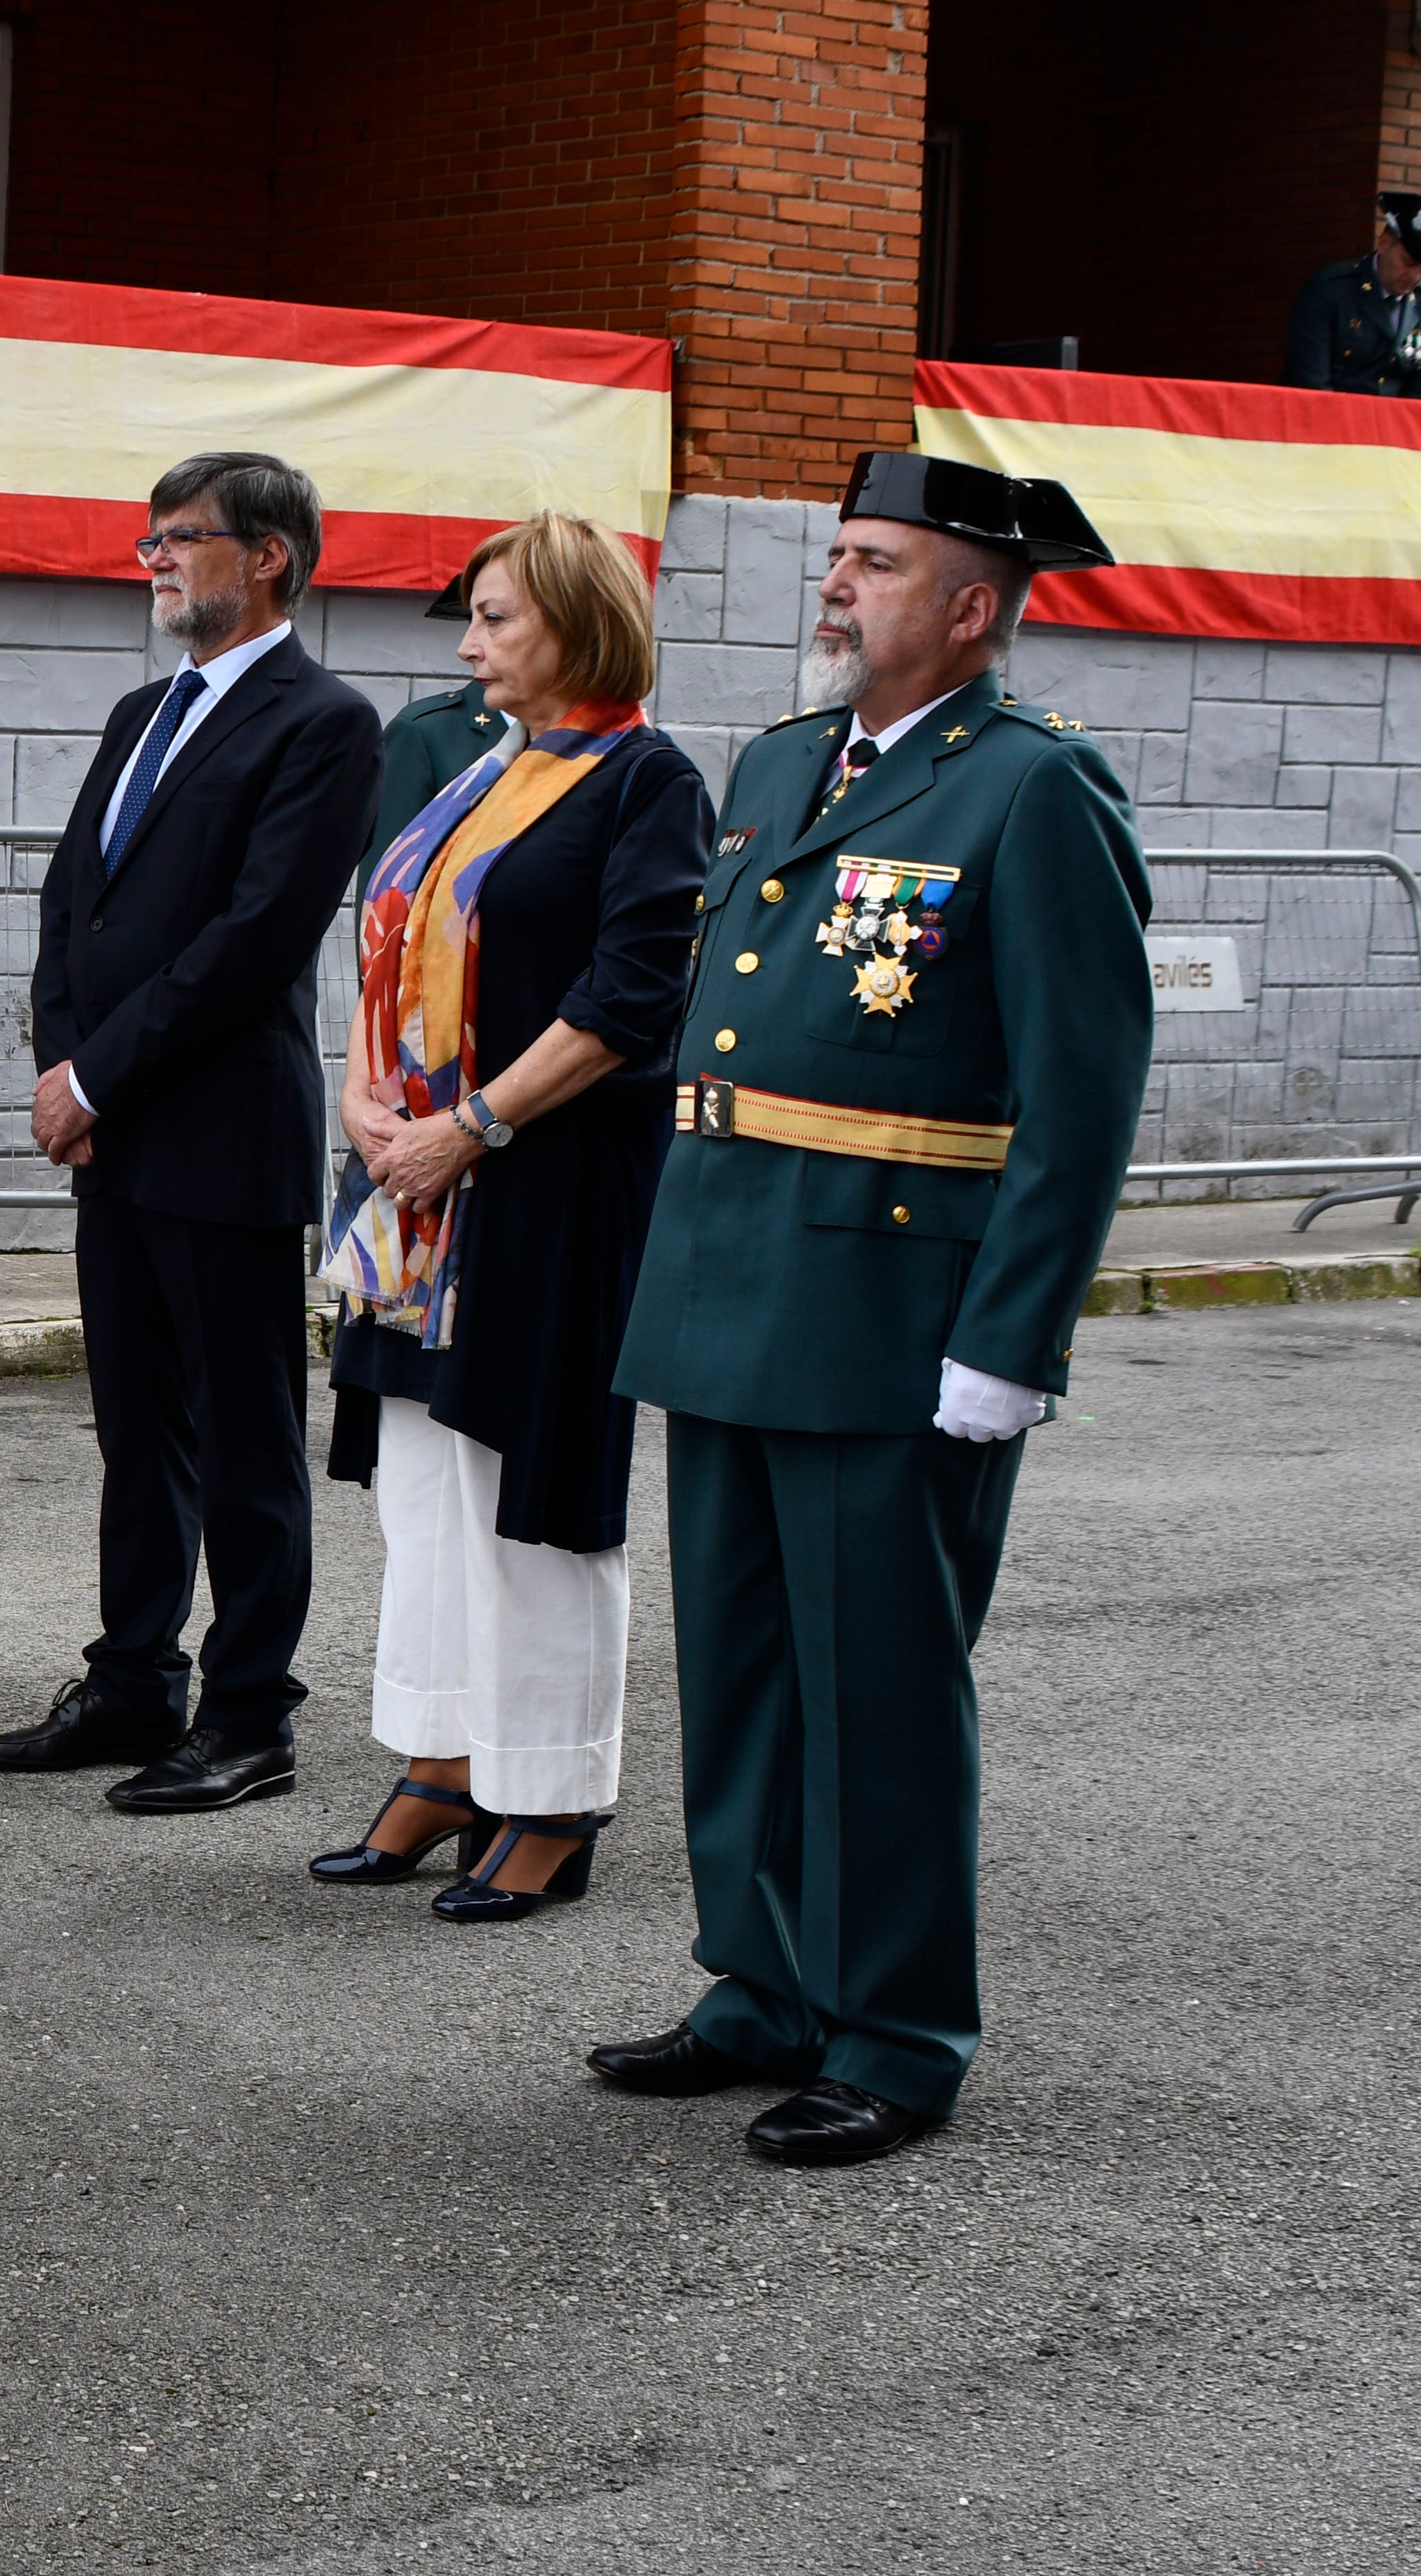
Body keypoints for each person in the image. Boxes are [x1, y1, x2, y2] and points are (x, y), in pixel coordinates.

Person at [592, 453, 1150, 2167]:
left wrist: (1009, 1341)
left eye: (876, 565)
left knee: (882, 1690)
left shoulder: (1030, 793)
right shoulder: (771, 764)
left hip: (890, 1313)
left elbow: (1080, 1095)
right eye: (834, 558)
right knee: (744, 1669)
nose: (834, 587)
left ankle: (895, 2029)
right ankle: (757, 1985)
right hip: (726, 1282)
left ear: (970, 609)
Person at [312, 512, 710, 1920]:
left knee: (525, 1493)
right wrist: (369, 1106)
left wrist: (471, 1126)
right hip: (419, 1190)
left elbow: (630, 995)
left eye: (497, 618)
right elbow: (384, 947)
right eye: (472, 618)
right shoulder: (483, 768)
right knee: (426, 1486)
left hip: (544, 1181)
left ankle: (548, 1791)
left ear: (579, 622)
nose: (469, 644)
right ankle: (442, 1756)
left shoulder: (647, 779)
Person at [0, 452, 381, 1809]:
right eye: (148, 536)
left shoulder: (322, 723)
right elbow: (67, 904)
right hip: (121, 1141)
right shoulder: (140, 710)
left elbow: (253, 939)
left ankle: (251, 1709)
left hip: (222, 1135)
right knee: (136, 1427)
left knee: (246, 1437)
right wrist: (61, 1065)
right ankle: (135, 1678)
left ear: (267, 555)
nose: (153, 556)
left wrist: (98, 1078)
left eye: (182, 536)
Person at [375, 572, 505, 856]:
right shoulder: (426, 733)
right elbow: (386, 889)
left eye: (494, 620)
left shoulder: (606, 738)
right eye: (472, 620)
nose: (466, 649)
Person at [1281, 192, 1421, 398]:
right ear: (1383, 243)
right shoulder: (1331, 291)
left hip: (1392, 426)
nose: (1415, 276)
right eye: (1408, 263)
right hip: (1329, 422)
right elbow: (1311, 384)